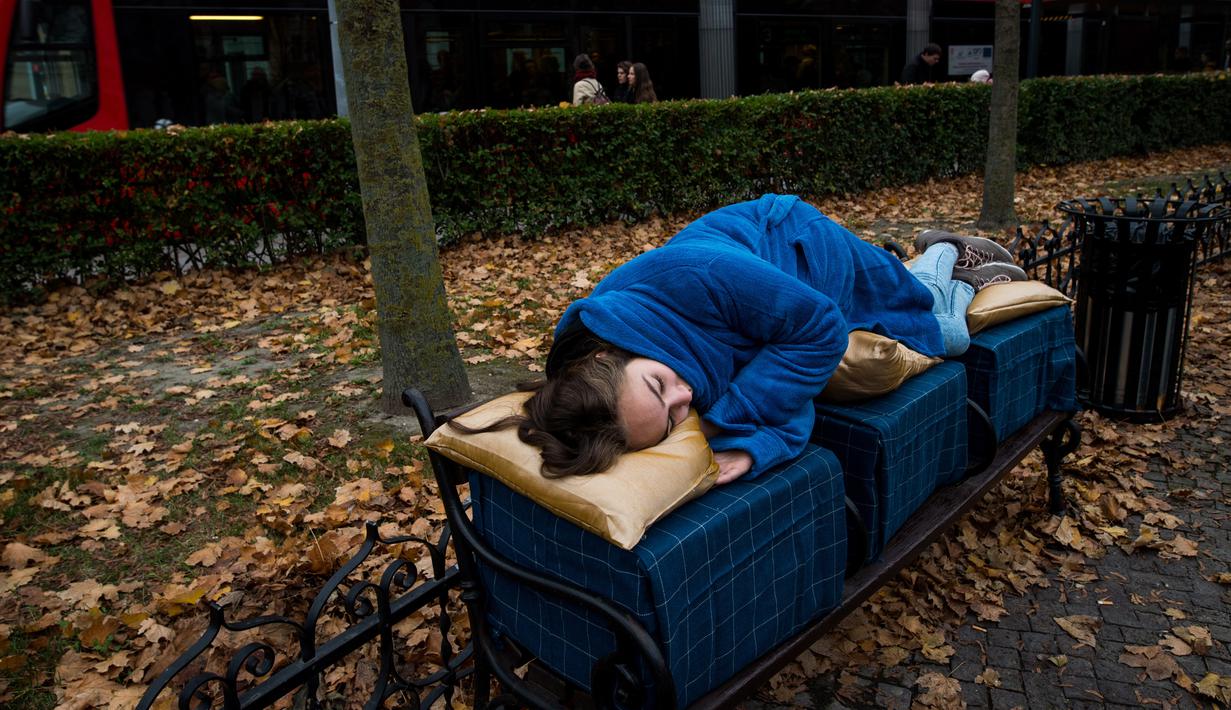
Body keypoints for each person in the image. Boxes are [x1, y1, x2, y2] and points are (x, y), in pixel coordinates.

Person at [460, 195, 1026, 485]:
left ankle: (947, 255)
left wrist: (730, 424)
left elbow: (820, 330)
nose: (686, 400)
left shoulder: (694, 275)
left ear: (615, 354)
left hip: (800, 245)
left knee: (940, 329)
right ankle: (928, 264)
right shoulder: (598, 365)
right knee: (913, 314)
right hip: (772, 291)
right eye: (672, 418)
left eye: (660, 386)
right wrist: (756, 446)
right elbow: (788, 400)